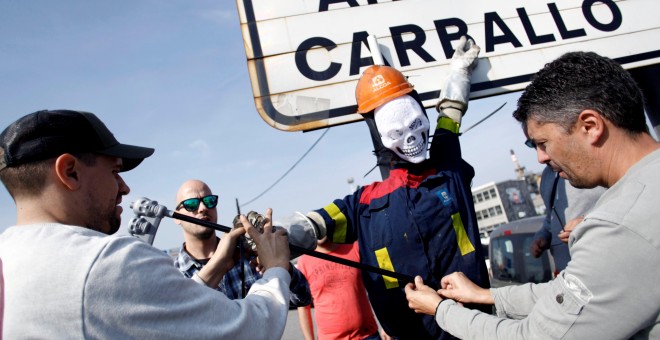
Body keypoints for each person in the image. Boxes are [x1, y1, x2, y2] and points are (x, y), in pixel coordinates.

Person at [405, 52, 660, 339]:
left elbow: (534, 336)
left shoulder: (618, 227)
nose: (540, 158)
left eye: (543, 142)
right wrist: (487, 296)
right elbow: (568, 295)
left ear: (590, 126)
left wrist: (441, 310)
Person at [0, 109, 294, 338]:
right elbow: (249, 330)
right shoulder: (110, 262)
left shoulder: (8, 259)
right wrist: (277, 268)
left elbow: (156, 309)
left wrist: (216, 265)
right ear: (70, 171)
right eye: (115, 171)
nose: (125, 187)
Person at [278, 36, 490, 339]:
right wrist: (269, 235)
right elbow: (313, 225)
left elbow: (449, 115)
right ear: (379, 134)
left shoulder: (448, 168)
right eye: (397, 130)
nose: (412, 137)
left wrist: (458, 72)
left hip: (473, 329)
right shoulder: (364, 203)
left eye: (415, 122)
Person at [173, 179, 312, 306]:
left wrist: (281, 267)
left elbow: (301, 298)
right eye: (191, 204)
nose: (203, 208)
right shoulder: (173, 275)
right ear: (176, 217)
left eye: (209, 201)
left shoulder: (247, 255)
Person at [296, 238, 383, 340]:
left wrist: (387, 326)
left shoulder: (354, 247)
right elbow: (303, 307)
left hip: (367, 335)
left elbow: (378, 287)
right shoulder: (304, 261)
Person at [529, 165, 605, 271]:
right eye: (534, 147)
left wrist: (587, 223)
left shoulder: (591, 163)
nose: (540, 158)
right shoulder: (547, 175)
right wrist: (543, 235)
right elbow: (551, 216)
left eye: (543, 147)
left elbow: (626, 201)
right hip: (569, 278)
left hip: (600, 268)